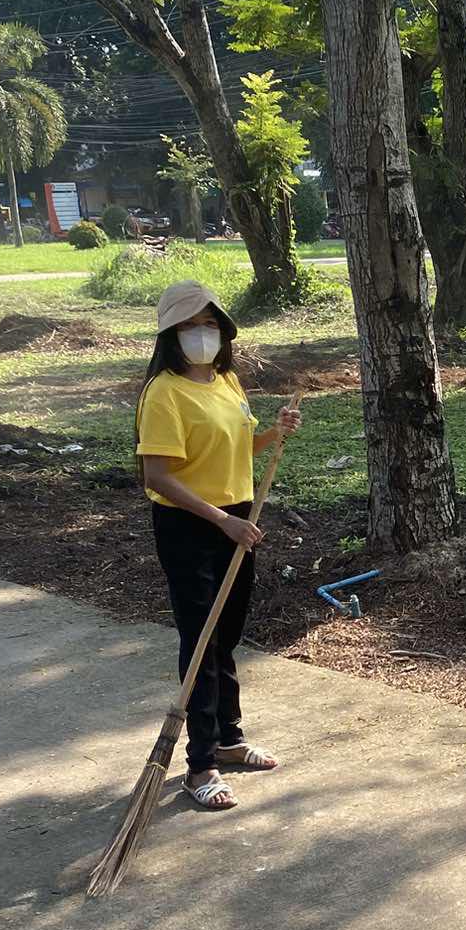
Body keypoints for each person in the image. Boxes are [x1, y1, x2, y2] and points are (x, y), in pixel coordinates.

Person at [135, 280, 303, 810]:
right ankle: (200, 763)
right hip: (189, 525)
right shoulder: (163, 392)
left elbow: (237, 446)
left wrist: (274, 434)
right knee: (202, 640)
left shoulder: (228, 381)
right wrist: (218, 521)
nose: (201, 335)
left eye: (209, 325)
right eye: (190, 326)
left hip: (236, 516)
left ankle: (230, 740)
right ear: (170, 334)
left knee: (226, 635)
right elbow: (157, 475)